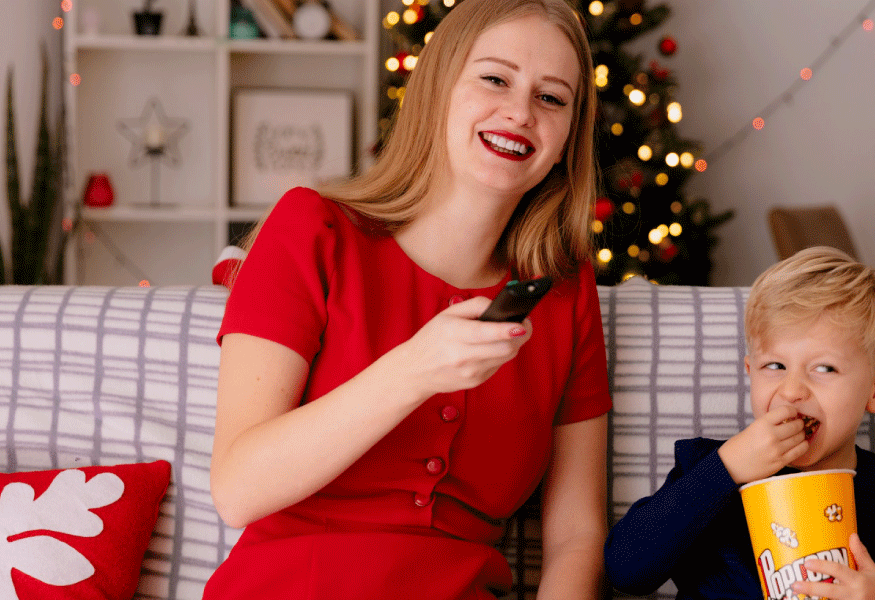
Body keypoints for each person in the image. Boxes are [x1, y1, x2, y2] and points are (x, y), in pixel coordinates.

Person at [204, 1, 610, 598]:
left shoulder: (563, 289)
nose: (520, 113)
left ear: (566, 137)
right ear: (439, 86)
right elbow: (237, 489)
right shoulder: (312, 229)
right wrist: (414, 369)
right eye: (495, 79)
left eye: (552, 98)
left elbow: (576, 532)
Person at [603, 246, 875, 600]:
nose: (791, 391)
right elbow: (626, 571)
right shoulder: (706, 470)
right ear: (750, 373)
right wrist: (724, 469)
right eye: (774, 366)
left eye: (824, 368)